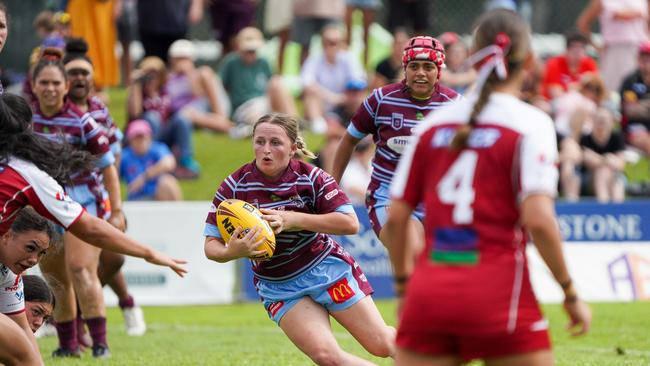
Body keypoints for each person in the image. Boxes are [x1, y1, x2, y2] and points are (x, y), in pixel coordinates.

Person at [384, 9, 591, 365]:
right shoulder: (532, 124)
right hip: (498, 289)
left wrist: (404, 288)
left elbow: (396, 217)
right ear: (528, 61)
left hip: (430, 292)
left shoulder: (432, 125)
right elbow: (539, 220)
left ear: (474, 57)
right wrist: (569, 292)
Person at [0, 95, 184, 363]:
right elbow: (88, 227)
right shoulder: (24, 174)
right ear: (28, 129)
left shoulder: (7, 273)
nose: (32, 260)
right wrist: (148, 253)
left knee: (27, 357)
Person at [203, 113, 395, 365]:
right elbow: (210, 246)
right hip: (279, 285)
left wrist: (292, 219)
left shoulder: (312, 178)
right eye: (259, 141)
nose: (266, 150)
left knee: (380, 344)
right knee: (327, 357)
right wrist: (233, 251)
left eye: (275, 142)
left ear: (293, 148)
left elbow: (349, 223)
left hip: (326, 271)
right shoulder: (234, 187)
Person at [332, 35, 459, 277]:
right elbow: (348, 140)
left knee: (438, 271)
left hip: (435, 198)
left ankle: (420, 313)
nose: (420, 73)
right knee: (412, 254)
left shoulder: (455, 105)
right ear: (404, 68)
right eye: (414, 66)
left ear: (439, 70)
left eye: (428, 67)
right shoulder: (380, 100)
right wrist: (331, 187)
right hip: (389, 195)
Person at [62, 38, 147, 339]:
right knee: (75, 266)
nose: (80, 79)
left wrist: (114, 194)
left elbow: (115, 150)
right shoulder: (55, 111)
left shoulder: (99, 109)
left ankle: (118, 305)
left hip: (99, 197)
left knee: (113, 256)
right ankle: (74, 323)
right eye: (73, 73)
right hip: (64, 199)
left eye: (85, 73)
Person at [0, 207, 59, 366]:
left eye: (41, 253)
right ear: (7, 235)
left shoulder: (9, 274)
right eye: (30, 248)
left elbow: (23, 330)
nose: (34, 260)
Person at [220, 27, 297, 137]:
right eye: (248, 51)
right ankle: (250, 128)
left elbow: (272, 86)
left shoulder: (263, 62)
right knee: (260, 118)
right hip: (244, 106)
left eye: (253, 51)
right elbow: (222, 88)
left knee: (277, 82)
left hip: (264, 101)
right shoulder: (231, 62)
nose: (251, 54)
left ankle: (294, 124)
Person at [301, 24, 366, 133]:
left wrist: (344, 97)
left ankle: (360, 127)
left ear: (341, 43)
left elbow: (359, 81)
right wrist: (332, 97)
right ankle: (320, 129)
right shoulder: (314, 59)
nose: (330, 46)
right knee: (310, 96)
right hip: (322, 103)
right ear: (322, 43)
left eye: (334, 42)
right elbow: (307, 83)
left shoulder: (349, 58)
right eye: (327, 42)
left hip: (344, 102)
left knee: (359, 96)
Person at [577, 0, 650, 92]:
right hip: (615, 50)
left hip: (641, 49)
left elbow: (647, 23)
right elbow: (583, 23)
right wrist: (595, 46)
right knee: (612, 89)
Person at [120, 119, 182, 201]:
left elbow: (169, 163)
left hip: (157, 195)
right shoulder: (124, 155)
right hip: (136, 198)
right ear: (130, 140)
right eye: (136, 138)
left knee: (168, 182)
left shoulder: (157, 148)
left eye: (142, 137)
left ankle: (176, 211)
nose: (140, 141)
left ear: (149, 137)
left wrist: (144, 177)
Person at [580, 107, 626, 202]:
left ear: (611, 122)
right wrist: (608, 159)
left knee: (617, 181)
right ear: (593, 121)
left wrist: (599, 159)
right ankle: (605, 207)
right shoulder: (585, 139)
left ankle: (616, 208)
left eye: (604, 120)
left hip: (614, 177)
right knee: (603, 171)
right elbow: (589, 162)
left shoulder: (617, 137)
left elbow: (620, 165)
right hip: (589, 179)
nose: (601, 124)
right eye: (599, 120)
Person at [541, 30, 598, 100]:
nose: (578, 51)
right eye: (574, 47)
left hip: (582, 103)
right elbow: (555, 93)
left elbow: (595, 92)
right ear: (567, 49)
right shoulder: (555, 63)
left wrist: (573, 88)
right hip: (555, 103)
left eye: (581, 47)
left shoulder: (589, 64)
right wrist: (579, 88)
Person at [621, 40, 650, 155]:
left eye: (648, 58)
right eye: (643, 57)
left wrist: (643, 105)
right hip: (636, 126)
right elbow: (631, 110)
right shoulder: (631, 80)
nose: (646, 61)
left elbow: (638, 107)